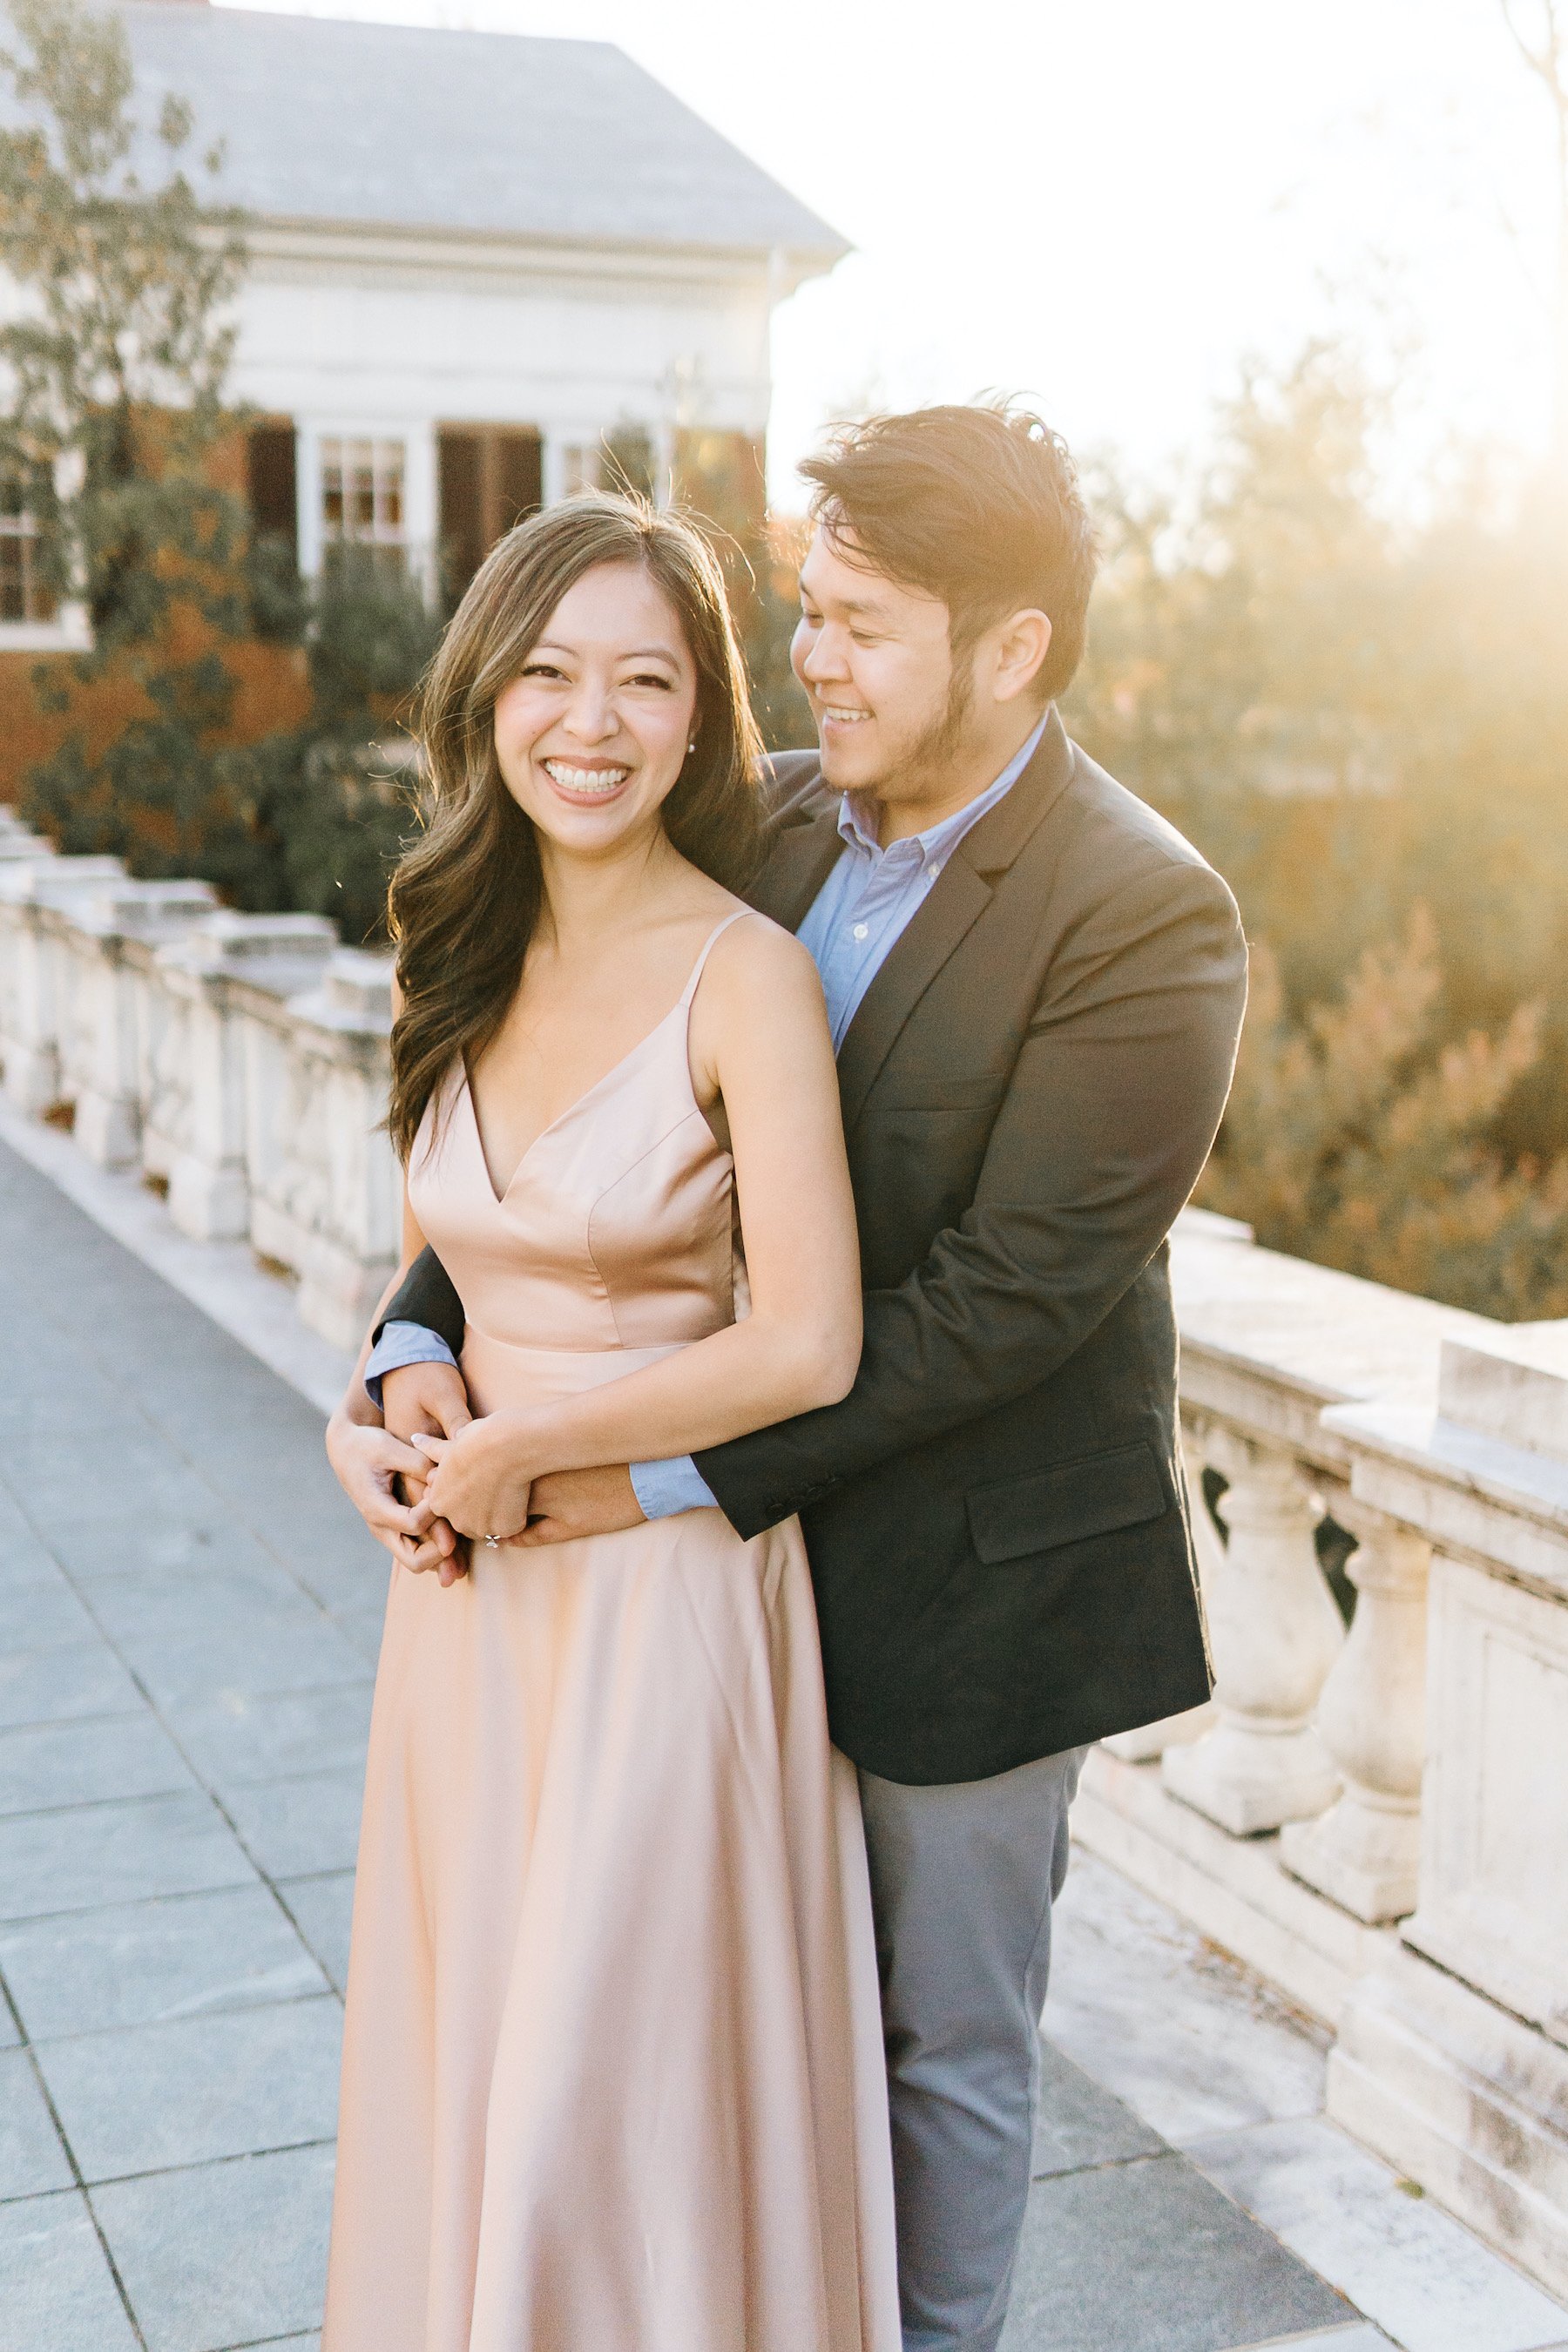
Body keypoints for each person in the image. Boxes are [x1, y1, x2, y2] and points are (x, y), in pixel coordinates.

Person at [355, 404, 1250, 2352]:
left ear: (1010, 649)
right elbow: (577, 1113)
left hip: (965, 1584)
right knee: (676, 2038)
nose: (812, 660)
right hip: (686, 1597)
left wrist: (646, 1481)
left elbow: (1000, 1304)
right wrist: (417, 1331)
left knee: (935, 2053)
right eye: (811, 612)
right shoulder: (753, 811)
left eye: (860, 624)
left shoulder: (1142, 915)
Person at [321, 494, 902, 2352]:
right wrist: (394, 1408)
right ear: (489, 694)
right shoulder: (450, 947)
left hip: (665, 1597)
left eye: (646, 681)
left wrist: (531, 1454)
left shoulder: (749, 974)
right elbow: (437, 1272)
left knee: (600, 2104)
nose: (593, 722)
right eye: (553, 674)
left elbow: (809, 1342)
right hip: (471, 1611)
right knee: (484, 2059)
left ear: (700, 720)